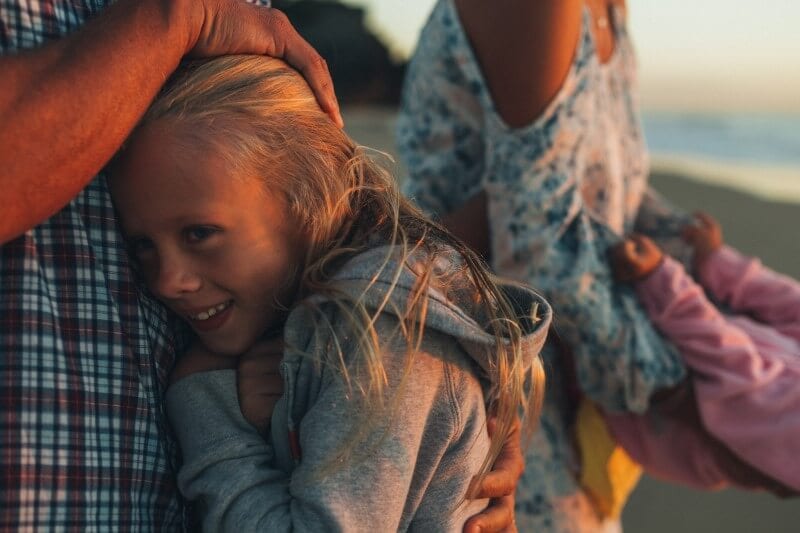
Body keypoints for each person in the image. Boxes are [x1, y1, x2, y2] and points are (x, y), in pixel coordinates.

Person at [106, 54, 552, 531]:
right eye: (143, 246)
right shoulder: (329, 326)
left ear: (309, 193)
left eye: (199, 234)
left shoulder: (383, 333)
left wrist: (206, 409)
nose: (167, 280)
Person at [396, 0, 694, 530]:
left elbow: (602, 171)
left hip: (564, 355)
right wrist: (665, 383)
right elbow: (535, 238)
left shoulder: (612, 8)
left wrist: (686, 240)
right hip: (487, 366)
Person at [605, 212, 800, 495]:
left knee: (591, 279)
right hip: (710, 335)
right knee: (679, 232)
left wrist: (659, 280)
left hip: (657, 408)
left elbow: (734, 371)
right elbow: (791, 305)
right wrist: (717, 262)